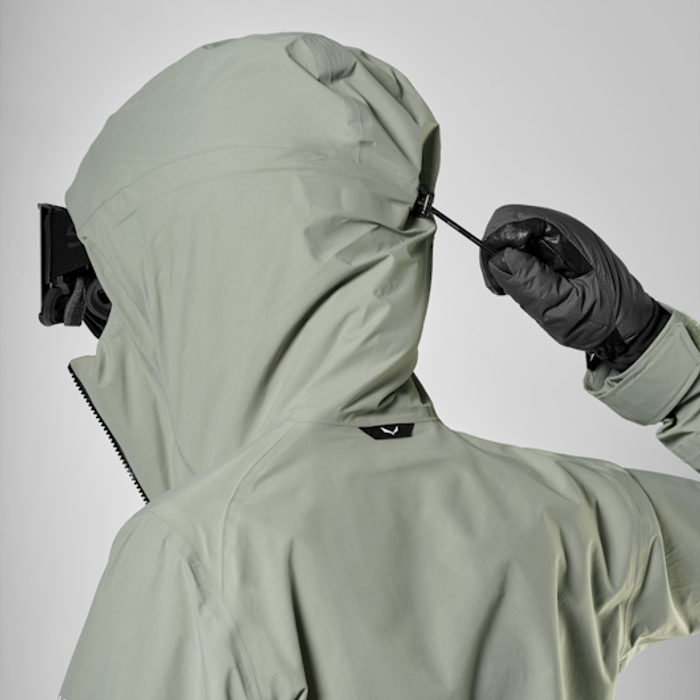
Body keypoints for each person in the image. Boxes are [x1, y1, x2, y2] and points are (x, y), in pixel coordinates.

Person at [57, 32, 699, 699]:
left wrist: (152, 341)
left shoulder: (194, 558)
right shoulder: (575, 517)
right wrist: (648, 346)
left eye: (130, 281)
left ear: (192, 262)